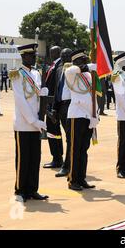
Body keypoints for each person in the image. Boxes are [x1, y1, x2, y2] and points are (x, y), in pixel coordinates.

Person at [10, 43, 49, 202]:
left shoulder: (36, 74)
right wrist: (33, 121)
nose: (34, 58)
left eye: (34, 55)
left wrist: (44, 95)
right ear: (23, 57)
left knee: (35, 158)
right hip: (24, 123)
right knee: (23, 158)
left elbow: (37, 98)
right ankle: (20, 190)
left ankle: (32, 189)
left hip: (36, 123)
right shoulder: (17, 74)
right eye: (31, 56)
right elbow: (20, 101)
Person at [64, 49, 98, 191]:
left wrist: (95, 115)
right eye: (82, 60)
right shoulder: (70, 73)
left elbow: (92, 97)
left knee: (84, 150)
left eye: (86, 60)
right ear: (76, 62)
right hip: (76, 116)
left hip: (87, 117)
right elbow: (71, 70)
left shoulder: (88, 76)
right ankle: (72, 180)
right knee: (75, 149)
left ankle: (81, 178)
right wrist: (88, 66)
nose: (85, 63)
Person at [43, 46, 64, 169]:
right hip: (50, 103)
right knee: (53, 131)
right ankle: (57, 156)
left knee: (53, 131)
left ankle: (57, 158)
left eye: (53, 52)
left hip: (54, 104)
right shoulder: (52, 66)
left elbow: (56, 86)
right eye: (50, 52)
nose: (51, 54)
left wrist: (53, 107)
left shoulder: (59, 67)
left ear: (58, 53)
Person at [54, 48, 73, 178]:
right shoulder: (59, 70)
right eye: (63, 55)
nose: (64, 57)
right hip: (61, 107)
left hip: (71, 106)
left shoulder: (74, 71)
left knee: (70, 138)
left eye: (67, 55)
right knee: (68, 138)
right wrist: (55, 108)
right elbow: (57, 89)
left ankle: (67, 166)